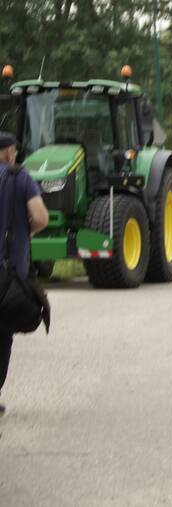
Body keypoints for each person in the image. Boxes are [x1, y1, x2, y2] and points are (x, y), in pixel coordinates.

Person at [0, 131, 49, 416]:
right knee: (3, 332)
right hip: (9, 274)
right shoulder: (20, 178)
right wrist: (22, 233)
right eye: (14, 152)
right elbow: (41, 217)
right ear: (8, 153)